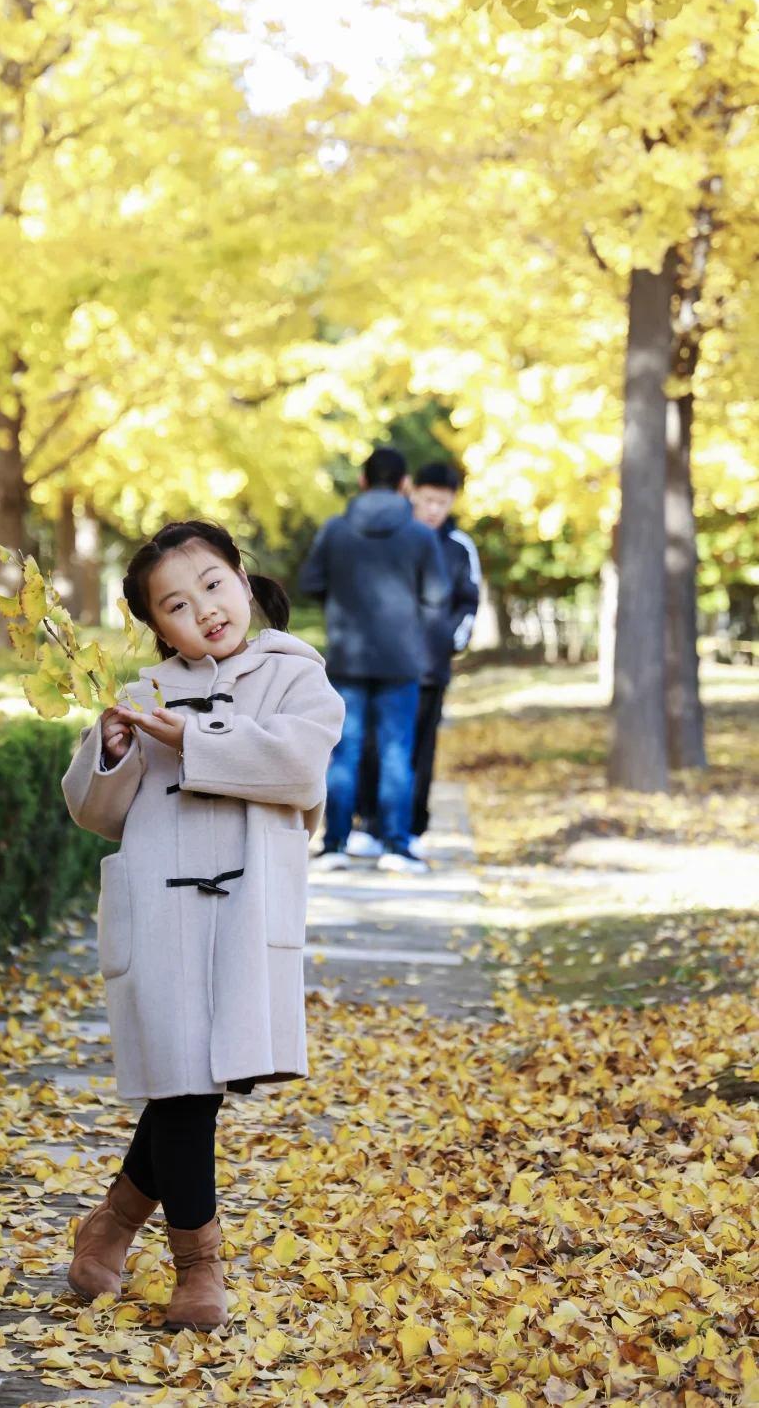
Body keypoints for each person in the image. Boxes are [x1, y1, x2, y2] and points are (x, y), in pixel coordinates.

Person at [61, 521, 344, 1331]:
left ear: (243, 580)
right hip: (159, 907)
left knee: (196, 1086)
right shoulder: (145, 693)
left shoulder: (296, 675)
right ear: (158, 627)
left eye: (214, 585)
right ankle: (198, 1267)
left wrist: (202, 737)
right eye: (177, 606)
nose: (206, 611)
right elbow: (95, 812)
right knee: (185, 1088)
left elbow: (299, 769)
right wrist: (111, 751)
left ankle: (111, 1225)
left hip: (247, 909)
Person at [299, 447, 448, 872]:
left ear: (363, 481)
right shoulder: (421, 536)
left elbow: (311, 581)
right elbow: (437, 597)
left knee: (343, 753)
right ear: (405, 485)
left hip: (347, 657)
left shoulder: (335, 530)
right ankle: (395, 847)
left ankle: (335, 845)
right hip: (401, 661)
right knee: (398, 753)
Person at [348, 461, 481, 857]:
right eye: (427, 500)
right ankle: (368, 825)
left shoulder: (459, 547)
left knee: (417, 754)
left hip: (428, 671)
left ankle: (409, 831)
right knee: (374, 745)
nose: (434, 510)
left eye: (443, 503)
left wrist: (448, 643)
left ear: (452, 502)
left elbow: (469, 602)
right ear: (412, 494)